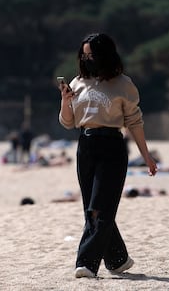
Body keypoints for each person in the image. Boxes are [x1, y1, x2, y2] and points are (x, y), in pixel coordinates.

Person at [58, 33, 157, 278]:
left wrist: (147, 156)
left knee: (99, 209)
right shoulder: (78, 82)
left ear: (105, 55)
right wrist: (65, 101)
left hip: (112, 146)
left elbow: (134, 122)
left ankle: (87, 263)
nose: (87, 59)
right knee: (92, 208)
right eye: (84, 55)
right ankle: (117, 259)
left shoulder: (123, 84)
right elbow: (68, 122)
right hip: (86, 146)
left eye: (92, 55)